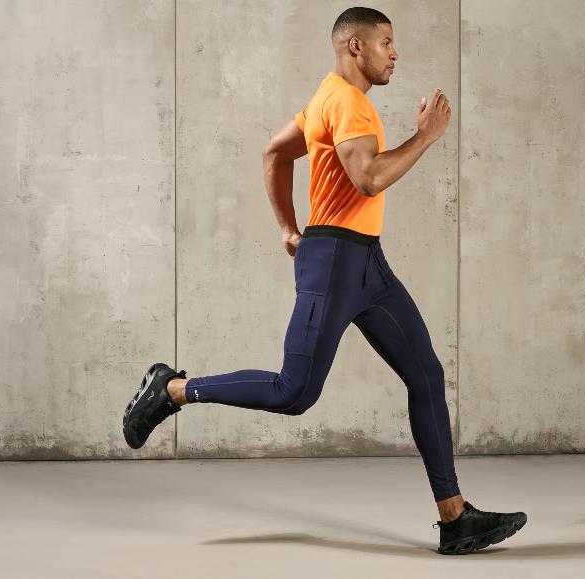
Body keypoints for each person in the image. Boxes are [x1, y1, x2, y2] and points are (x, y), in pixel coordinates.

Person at [123, 6, 527, 555]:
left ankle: (455, 518)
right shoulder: (349, 102)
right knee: (295, 393)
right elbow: (368, 178)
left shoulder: (324, 98)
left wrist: (289, 228)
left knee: (427, 377)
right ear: (354, 47)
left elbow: (275, 151)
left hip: (365, 264)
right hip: (336, 262)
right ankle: (172, 389)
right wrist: (426, 136)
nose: (395, 52)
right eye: (386, 42)